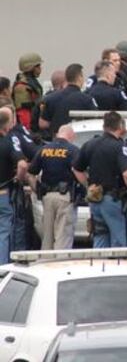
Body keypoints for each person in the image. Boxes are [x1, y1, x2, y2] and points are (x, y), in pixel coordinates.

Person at [72, 111, 127, 248]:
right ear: (120, 126)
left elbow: (76, 169)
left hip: (95, 199)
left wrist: (88, 186)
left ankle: (100, 261)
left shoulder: (90, 144)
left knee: (100, 237)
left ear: (104, 126)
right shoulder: (119, 146)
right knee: (120, 240)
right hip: (113, 200)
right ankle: (118, 262)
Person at [0, 108, 28, 263]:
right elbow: (22, 164)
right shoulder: (8, 141)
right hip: (3, 191)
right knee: (4, 231)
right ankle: (2, 268)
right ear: (6, 125)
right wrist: (19, 178)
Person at [39, 64, 97, 135]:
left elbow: (42, 124)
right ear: (80, 77)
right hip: (79, 137)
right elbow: (95, 120)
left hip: (57, 137)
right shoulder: (87, 99)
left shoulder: (50, 98)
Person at [12, 52, 44, 130]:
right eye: (38, 66)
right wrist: (27, 130)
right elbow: (23, 112)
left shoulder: (32, 82)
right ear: (30, 67)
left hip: (36, 121)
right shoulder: (21, 86)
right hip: (30, 126)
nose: (40, 68)